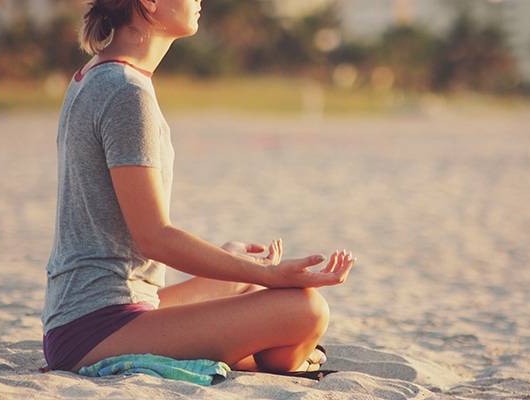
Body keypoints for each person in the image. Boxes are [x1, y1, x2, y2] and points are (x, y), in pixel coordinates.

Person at [42, 0, 355, 376]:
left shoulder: (94, 75)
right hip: (97, 326)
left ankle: (256, 343)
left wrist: (233, 264)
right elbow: (154, 238)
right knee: (307, 309)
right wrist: (271, 275)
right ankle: (265, 360)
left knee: (242, 287)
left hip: (92, 312)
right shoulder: (126, 92)